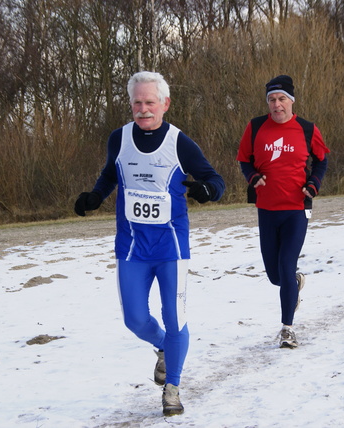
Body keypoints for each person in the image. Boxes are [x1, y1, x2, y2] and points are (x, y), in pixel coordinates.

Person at [74, 71, 225, 416]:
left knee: (174, 317)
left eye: (150, 103)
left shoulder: (179, 142)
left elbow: (215, 180)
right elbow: (110, 173)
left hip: (171, 247)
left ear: (165, 104)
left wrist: (207, 191)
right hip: (132, 247)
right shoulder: (119, 138)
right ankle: (163, 348)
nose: (143, 110)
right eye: (137, 103)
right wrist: (96, 196)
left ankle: (172, 387)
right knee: (135, 320)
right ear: (131, 104)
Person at [236, 75, 329, 348]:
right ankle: (294, 283)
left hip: (296, 209)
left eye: (281, 99)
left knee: (286, 266)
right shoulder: (255, 127)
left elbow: (321, 161)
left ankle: (287, 328)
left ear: (291, 101)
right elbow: (244, 160)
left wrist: (314, 184)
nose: (277, 105)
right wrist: (253, 177)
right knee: (275, 276)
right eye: (272, 100)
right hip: (266, 210)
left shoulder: (307, 129)